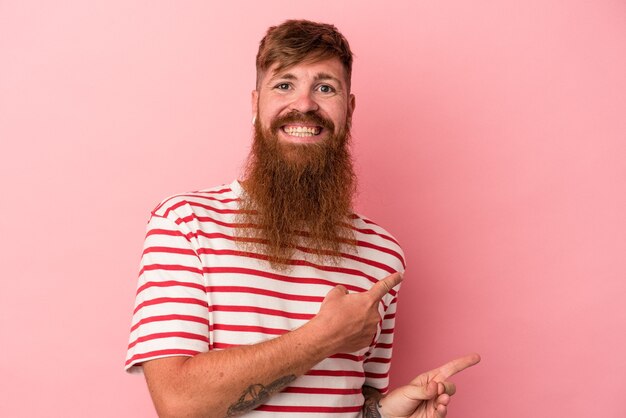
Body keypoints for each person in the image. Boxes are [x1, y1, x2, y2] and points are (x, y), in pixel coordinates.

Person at [125, 19, 479, 418]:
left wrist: (384, 412)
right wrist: (322, 337)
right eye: (284, 85)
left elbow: (347, 405)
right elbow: (178, 403)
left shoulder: (384, 254)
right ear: (255, 103)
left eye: (325, 87)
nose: (306, 104)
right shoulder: (185, 224)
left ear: (349, 107)